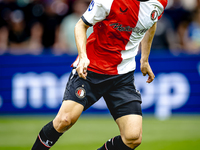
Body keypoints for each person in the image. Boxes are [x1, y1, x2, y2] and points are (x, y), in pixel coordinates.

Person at [31, 0, 168, 150]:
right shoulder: (108, 1)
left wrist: (144, 60)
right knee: (65, 120)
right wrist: (83, 57)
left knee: (133, 137)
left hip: (123, 75)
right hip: (92, 69)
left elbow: (151, 22)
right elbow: (80, 25)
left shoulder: (159, 3)